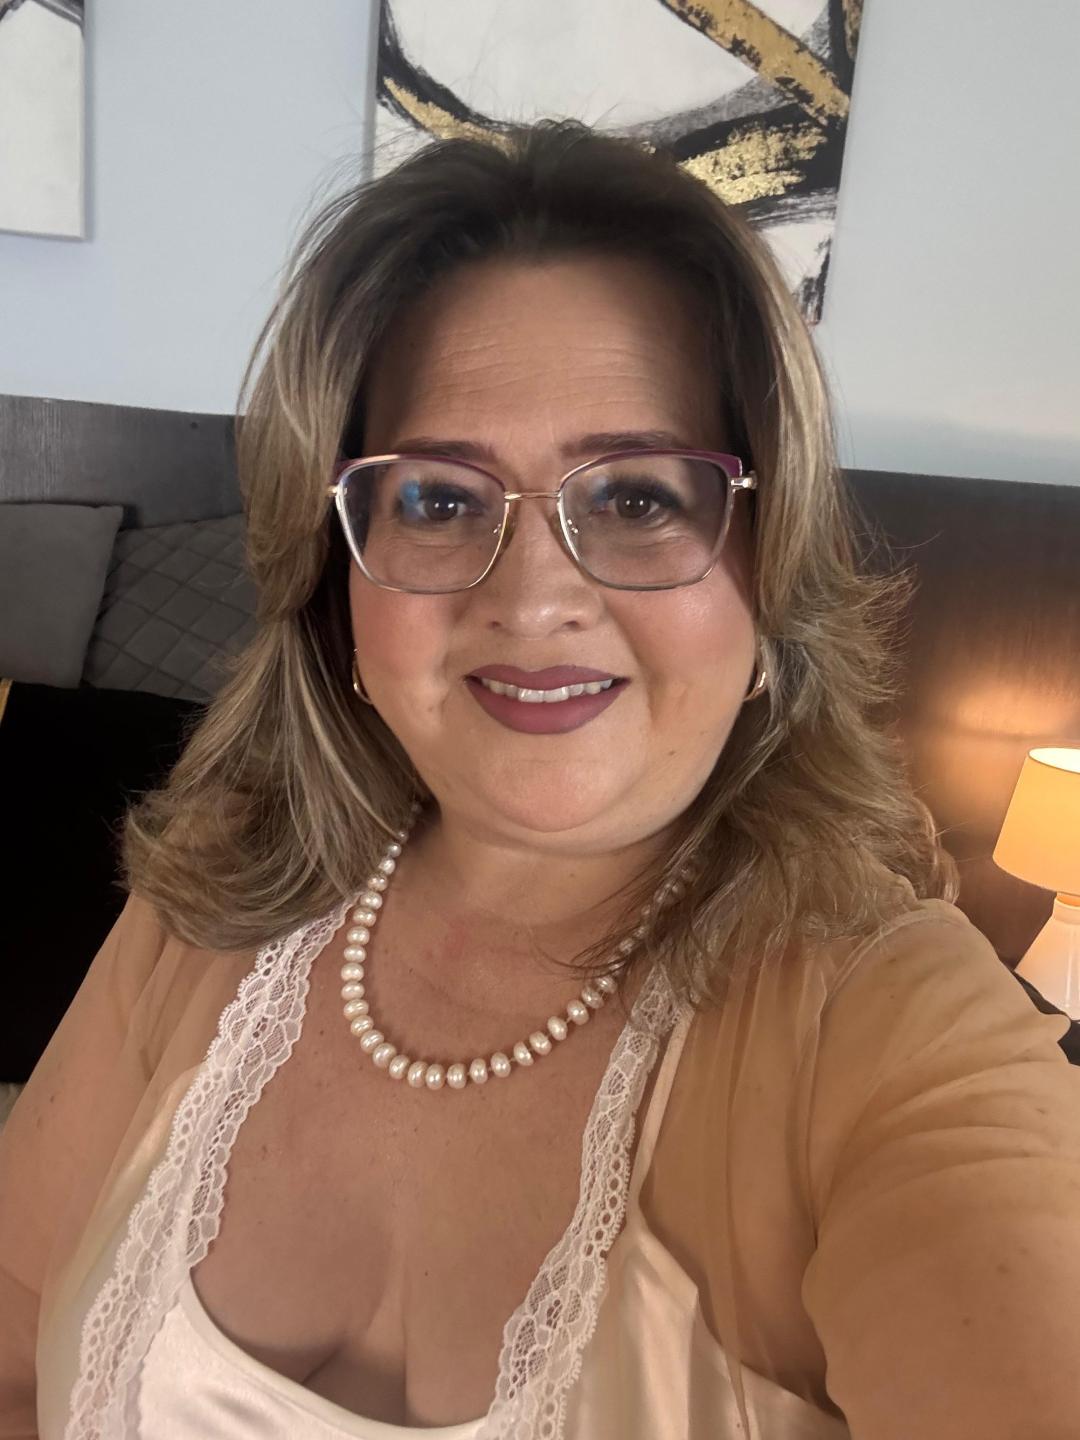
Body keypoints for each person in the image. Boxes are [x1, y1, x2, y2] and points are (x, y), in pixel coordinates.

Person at [2, 119, 1078, 1440]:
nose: (531, 598)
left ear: (770, 574)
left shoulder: (888, 1023)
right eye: (439, 500)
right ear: (340, 587)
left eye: (635, 497)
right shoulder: (213, 900)